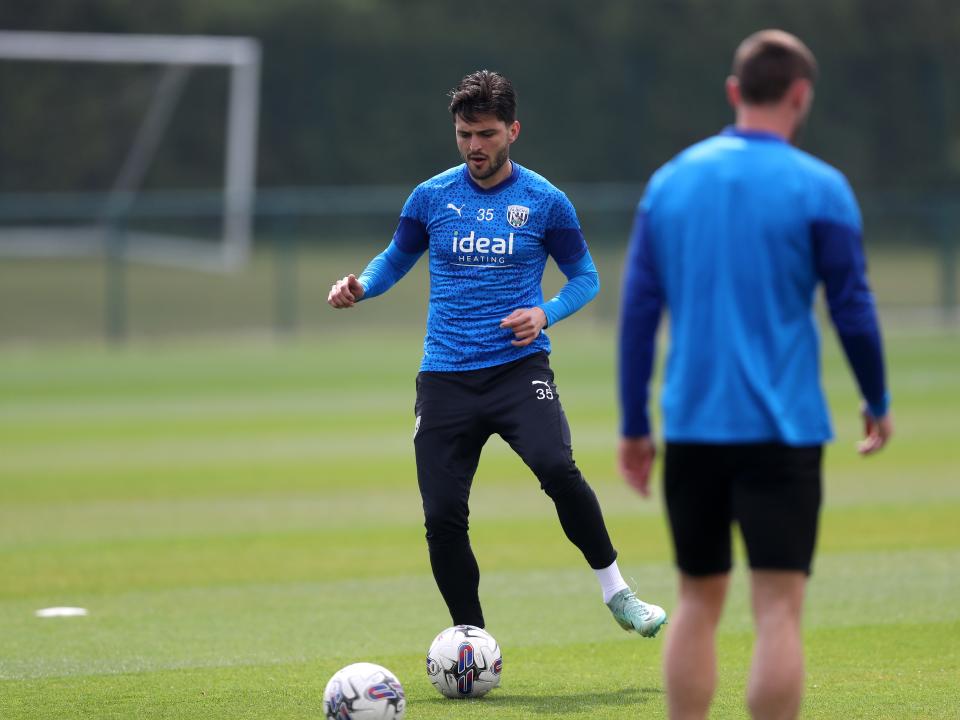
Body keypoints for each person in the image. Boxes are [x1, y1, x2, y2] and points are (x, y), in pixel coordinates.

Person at [329, 70, 667, 637]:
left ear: (512, 130)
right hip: (445, 377)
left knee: (558, 467)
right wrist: (362, 284)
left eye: (485, 134)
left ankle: (618, 592)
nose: (473, 147)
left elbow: (585, 278)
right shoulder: (432, 196)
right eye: (464, 134)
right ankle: (471, 639)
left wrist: (545, 313)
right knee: (441, 517)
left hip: (517, 370)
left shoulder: (544, 201)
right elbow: (393, 259)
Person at [618, 30, 893, 720]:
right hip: (784, 429)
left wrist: (633, 424)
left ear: (735, 92)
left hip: (695, 425)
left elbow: (638, 314)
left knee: (695, 599)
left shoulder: (670, 182)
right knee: (777, 610)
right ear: (801, 96)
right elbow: (852, 308)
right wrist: (876, 398)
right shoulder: (821, 188)